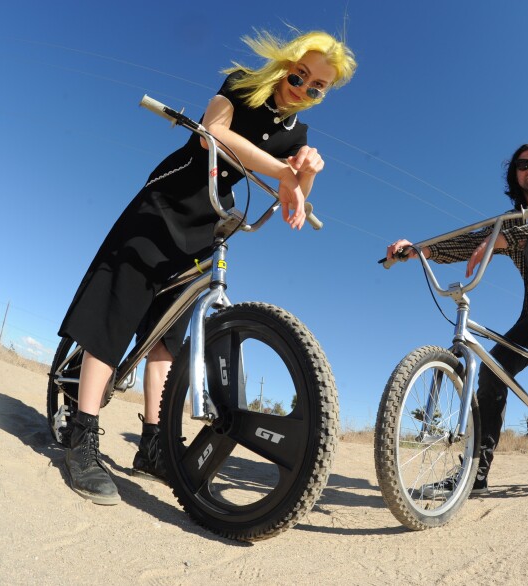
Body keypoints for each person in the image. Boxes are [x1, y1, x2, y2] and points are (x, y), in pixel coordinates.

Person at [58, 30, 356, 505]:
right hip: (167, 204)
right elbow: (214, 134)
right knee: (117, 313)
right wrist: (283, 172)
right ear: (285, 63)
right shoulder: (242, 84)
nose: (303, 88)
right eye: (300, 74)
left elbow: (292, 198)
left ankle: (152, 446)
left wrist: (307, 174)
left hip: (209, 223)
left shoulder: (297, 133)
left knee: (167, 340)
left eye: (317, 86)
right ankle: (81, 439)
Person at [386, 143, 528, 496]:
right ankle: (475, 474)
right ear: (514, 175)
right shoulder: (512, 219)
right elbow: (471, 242)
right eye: (523, 165)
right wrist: (421, 249)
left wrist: (505, 239)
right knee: (492, 374)